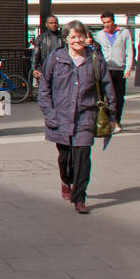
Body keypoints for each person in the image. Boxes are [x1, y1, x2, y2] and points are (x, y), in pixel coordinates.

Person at [37, 21, 115, 215]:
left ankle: (79, 197)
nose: (77, 40)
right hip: (60, 116)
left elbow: (108, 87)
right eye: (73, 37)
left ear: (86, 37)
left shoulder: (95, 59)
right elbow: (44, 88)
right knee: (65, 157)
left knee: (82, 158)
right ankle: (66, 180)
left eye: (80, 36)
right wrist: (49, 112)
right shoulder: (55, 58)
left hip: (85, 116)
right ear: (66, 39)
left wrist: (112, 113)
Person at [95, 12, 134, 131]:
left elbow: (129, 51)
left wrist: (128, 68)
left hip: (119, 69)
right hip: (105, 69)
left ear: (113, 21)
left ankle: (116, 121)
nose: (106, 25)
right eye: (104, 23)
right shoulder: (100, 35)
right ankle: (104, 121)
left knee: (118, 97)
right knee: (103, 96)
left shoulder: (124, 32)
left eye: (108, 22)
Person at [31, 16, 64, 83]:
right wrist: (34, 69)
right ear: (46, 24)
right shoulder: (41, 38)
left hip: (61, 68)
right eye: (51, 23)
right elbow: (35, 54)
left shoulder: (63, 37)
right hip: (46, 68)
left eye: (55, 23)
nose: (54, 25)